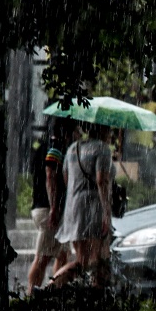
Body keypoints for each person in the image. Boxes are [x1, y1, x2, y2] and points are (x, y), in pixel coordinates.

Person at [52, 123, 114, 288]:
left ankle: (93, 298)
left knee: (88, 260)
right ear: (103, 129)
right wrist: (106, 213)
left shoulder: (73, 148)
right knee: (92, 261)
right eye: (110, 129)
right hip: (92, 209)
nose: (111, 133)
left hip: (73, 208)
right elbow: (102, 181)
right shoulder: (102, 149)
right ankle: (49, 289)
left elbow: (66, 178)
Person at [26, 120, 71, 294]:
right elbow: (50, 176)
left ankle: (57, 292)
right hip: (49, 210)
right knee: (43, 257)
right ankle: (31, 295)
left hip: (45, 208)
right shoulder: (56, 147)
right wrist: (54, 207)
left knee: (62, 254)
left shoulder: (42, 147)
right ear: (67, 132)